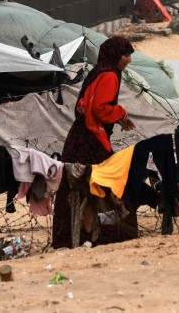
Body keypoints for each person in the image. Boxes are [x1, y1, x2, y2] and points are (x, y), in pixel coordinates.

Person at [51, 37, 137, 248]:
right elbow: (100, 108)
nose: (129, 60)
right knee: (112, 184)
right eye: (126, 55)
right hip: (91, 141)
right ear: (116, 55)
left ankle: (73, 238)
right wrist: (121, 112)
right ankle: (117, 235)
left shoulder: (97, 71)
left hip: (78, 139)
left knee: (77, 188)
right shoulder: (109, 75)